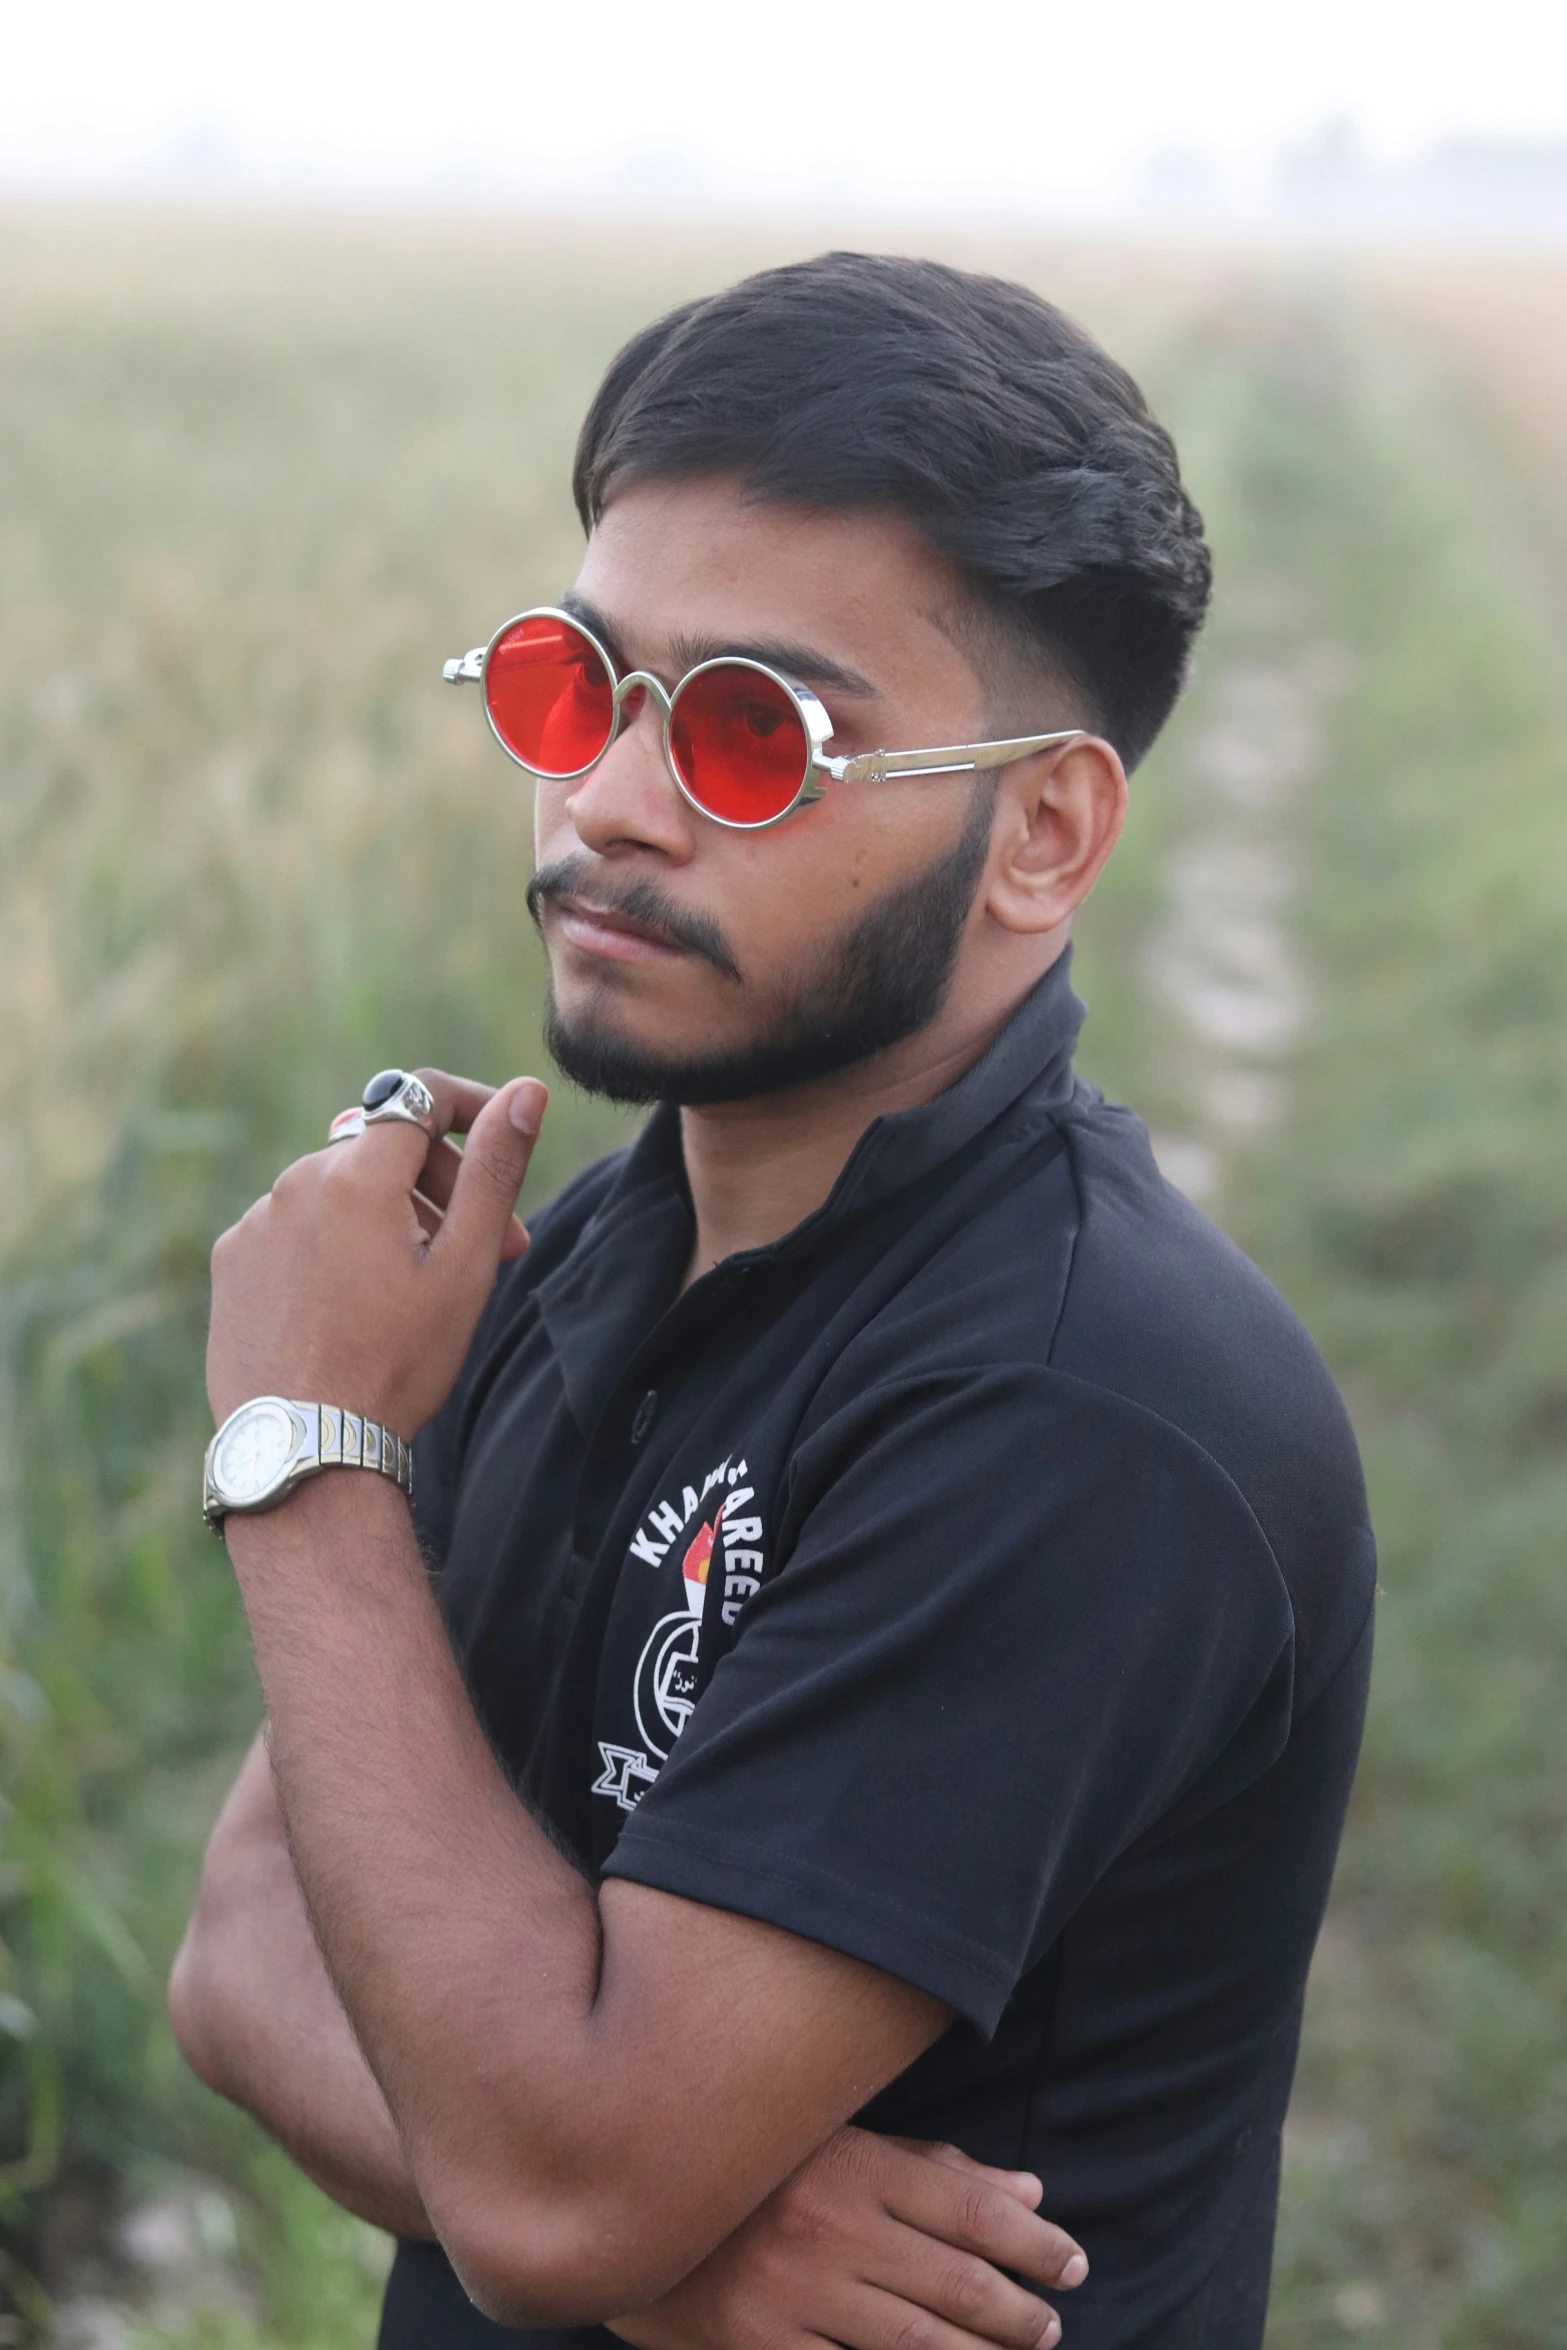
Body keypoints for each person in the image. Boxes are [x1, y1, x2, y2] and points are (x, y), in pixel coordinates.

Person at [169, 253, 1376, 2350]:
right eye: (574, 685)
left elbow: (554, 2186)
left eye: (755, 732)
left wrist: (310, 1452)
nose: (613, 799)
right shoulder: (575, 1257)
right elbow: (239, 1952)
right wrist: (674, 2244)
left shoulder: (1080, 1402)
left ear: (1042, 831)